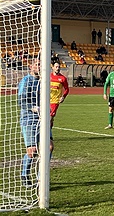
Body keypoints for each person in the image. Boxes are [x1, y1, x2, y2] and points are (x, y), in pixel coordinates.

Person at [18, 58, 53, 188]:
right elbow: (21, 101)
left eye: (41, 64)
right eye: (37, 64)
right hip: (29, 119)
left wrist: (49, 114)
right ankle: (24, 174)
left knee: (49, 147)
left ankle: (41, 179)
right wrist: (33, 107)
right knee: (32, 151)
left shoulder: (43, 82)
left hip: (42, 119)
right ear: (31, 66)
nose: (39, 66)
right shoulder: (26, 81)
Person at [50, 62, 69, 130]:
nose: (58, 68)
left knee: (50, 117)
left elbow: (67, 89)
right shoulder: (49, 76)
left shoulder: (62, 78)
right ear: (53, 67)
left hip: (55, 101)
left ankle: (48, 133)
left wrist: (63, 97)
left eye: (59, 67)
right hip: (46, 100)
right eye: (56, 67)